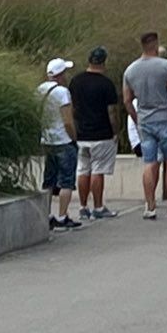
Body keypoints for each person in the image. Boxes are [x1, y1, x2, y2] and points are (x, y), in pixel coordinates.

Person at [123, 31, 167, 221]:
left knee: (150, 162)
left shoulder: (130, 70)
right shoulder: (166, 66)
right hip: (164, 118)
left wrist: (136, 118)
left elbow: (127, 100)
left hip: (144, 119)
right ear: (156, 45)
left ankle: (150, 206)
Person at [68, 48, 122, 220]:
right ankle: (98, 206)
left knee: (83, 170)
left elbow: (72, 108)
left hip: (81, 134)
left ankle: (83, 207)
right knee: (98, 170)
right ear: (103, 62)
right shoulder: (106, 84)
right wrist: (115, 131)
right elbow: (111, 112)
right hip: (101, 133)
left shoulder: (76, 81)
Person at [38, 57, 81, 231]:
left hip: (47, 140)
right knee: (66, 181)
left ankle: (47, 215)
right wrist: (74, 138)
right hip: (63, 140)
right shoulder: (62, 92)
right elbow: (68, 121)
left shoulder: (40, 90)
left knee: (49, 180)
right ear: (61, 74)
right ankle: (62, 216)